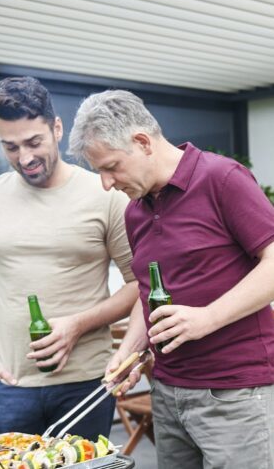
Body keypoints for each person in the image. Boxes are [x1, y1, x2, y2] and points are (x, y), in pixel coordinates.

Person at [68, 89, 274, 468]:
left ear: (143, 142)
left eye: (111, 166)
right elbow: (147, 296)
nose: (107, 183)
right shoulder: (134, 212)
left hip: (234, 395)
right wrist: (128, 351)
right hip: (167, 392)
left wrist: (207, 317)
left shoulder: (222, 178)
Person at [0, 77, 139, 439]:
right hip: (7, 385)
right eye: (10, 147)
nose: (24, 158)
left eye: (33, 142)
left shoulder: (106, 195)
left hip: (86, 383)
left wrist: (77, 324)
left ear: (57, 128)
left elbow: (139, 284)